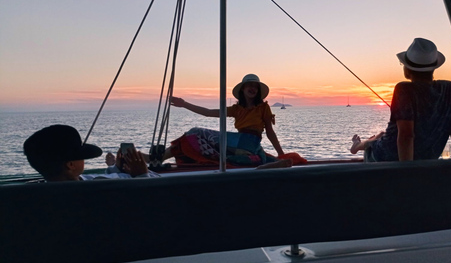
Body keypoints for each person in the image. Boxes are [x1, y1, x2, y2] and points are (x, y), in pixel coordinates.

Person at [350, 38, 451, 161]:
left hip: (390, 158)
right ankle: (361, 144)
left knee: (374, 144)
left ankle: (357, 146)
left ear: (407, 69)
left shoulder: (404, 90)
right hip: (427, 157)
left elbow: (407, 136)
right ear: (433, 67)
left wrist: (407, 173)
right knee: (381, 137)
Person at [160, 74, 296, 168]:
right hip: (238, 142)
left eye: (255, 86)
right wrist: (184, 104)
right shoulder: (236, 109)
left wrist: (280, 153)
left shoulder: (263, 107)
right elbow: (209, 113)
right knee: (192, 135)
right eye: (249, 85)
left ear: (258, 90)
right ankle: (158, 157)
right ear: (243, 89)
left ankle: (159, 157)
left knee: (194, 133)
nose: (252, 88)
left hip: (250, 143)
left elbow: (270, 132)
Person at [23, 124, 160, 181]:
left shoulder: (43, 192)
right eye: (80, 157)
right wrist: (142, 175)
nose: (83, 160)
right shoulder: (96, 191)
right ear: (70, 165)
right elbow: (148, 200)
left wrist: (117, 168)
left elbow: (95, 178)